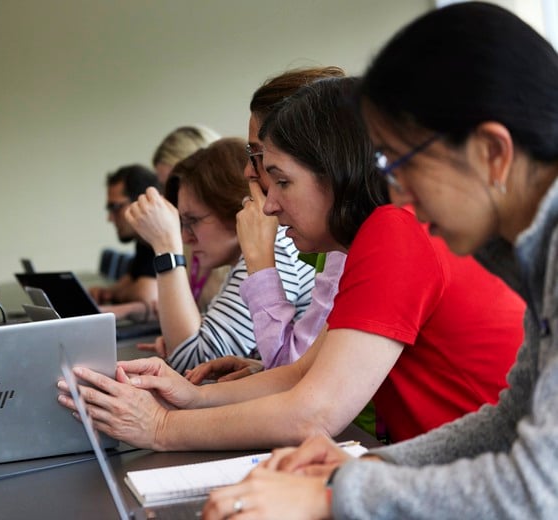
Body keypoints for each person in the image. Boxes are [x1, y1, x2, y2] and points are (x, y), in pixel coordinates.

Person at [203, 4, 558, 518]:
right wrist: (364, 472)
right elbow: (509, 421)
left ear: (492, 153)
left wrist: (332, 497)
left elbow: (538, 489)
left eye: (403, 161)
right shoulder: (531, 252)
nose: (395, 188)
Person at [57, 76, 525, 454]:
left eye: (281, 181)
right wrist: (194, 396)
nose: (268, 205)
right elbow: (306, 370)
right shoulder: (372, 237)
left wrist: (160, 427)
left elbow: (315, 411)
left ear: (336, 175)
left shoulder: (395, 231)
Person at [189, 66, 347, 380]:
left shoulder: (311, 246)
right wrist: (262, 371)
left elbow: (297, 376)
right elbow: (305, 369)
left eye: (257, 154)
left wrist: (260, 261)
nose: (248, 172)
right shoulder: (333, 247)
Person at [125, 138, 315, 374]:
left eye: (193, 221)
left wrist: (166, 248)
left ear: (235, 208)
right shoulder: (251, 256)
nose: (186, 237)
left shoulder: (277, 250)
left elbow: (193, 363)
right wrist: (188, 335)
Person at [152, 125, 229, 313]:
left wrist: (165, 247)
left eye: (176, 187)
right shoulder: (189, 242)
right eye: (165, 187)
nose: (168, 200)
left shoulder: (246, 258)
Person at [88, 165, 161, 308]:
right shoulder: (142, 242)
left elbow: (148, 294)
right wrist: (106, 291)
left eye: (115, 208)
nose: (109, 218)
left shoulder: (160, 238)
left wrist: (116, 294)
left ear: (141, 203)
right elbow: (131, 279)